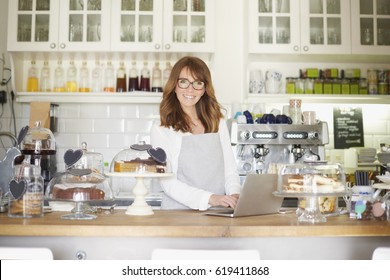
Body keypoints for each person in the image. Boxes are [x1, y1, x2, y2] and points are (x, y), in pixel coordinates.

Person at [150, 56, 242, 210]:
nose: (190, 90)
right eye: (184, 82)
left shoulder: (217, 122)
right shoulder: (161, 129)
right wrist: (211, 198)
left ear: (205, 89)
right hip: (177, 215)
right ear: (174, 85)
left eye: (198, 83)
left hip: (217, 213)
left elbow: (230, 170)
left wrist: (234, 194)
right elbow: (167, 182)